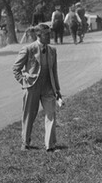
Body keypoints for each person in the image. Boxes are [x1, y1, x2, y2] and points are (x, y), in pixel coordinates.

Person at [11, 23, 64, 151]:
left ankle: (50, 146)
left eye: (49, 34)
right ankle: (25, 143)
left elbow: (54, 71)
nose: (49, 37)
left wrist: (57, 90)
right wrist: (24, 82)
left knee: (51, 114)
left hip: (48, 87)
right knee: (29, 114)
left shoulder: (52, 50)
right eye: (46, 35)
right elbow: (16, 69)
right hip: (32, 87)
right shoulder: (28, 49)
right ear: (39, 35)